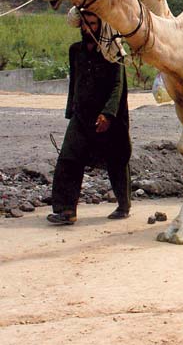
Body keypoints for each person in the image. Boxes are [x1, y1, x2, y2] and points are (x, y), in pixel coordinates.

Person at [47, 11, 132, 225]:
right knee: (68, 158)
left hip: (109, 116)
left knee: (117, 159)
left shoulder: (113, 52)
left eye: (92, 24)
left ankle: (123, 205)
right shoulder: (75, 51)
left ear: (101, 26)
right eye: (84, 24)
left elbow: (117, 86)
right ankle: (66, 210)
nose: (87, 28)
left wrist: (108, 114)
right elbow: (74, 83)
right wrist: (71, 110)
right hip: (81, 115)